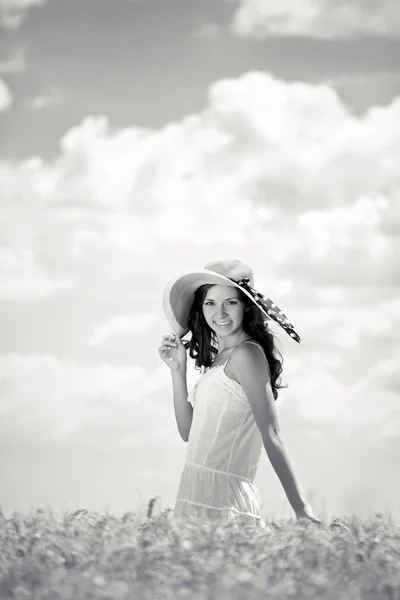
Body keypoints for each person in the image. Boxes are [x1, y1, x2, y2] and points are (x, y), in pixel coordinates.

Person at [159, 258, 321, 533]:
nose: (219, 312)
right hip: (195, 491)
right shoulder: (219, 360)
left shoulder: (246, 354)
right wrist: (178, 371)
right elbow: (189, 432)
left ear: (246, 305)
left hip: (224, 499)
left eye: (230, 302)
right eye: (210, 303)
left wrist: (302, 511)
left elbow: (271, 434)